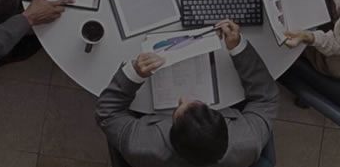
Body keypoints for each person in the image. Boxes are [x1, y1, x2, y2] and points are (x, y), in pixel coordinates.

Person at [96, 19, 279, 167]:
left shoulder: (141, 145)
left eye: (178, 109)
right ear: (224, 125)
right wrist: (238, 47)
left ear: (171, 134)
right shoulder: (248, 141)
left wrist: (133, 74)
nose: (183, 98)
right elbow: (266, 99)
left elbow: (107, 114)